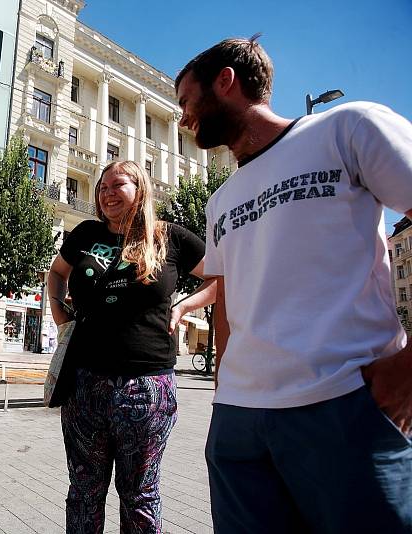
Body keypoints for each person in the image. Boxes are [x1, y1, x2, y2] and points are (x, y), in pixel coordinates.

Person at [176, 37, 412, 533]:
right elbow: (229, 304)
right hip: (239, 425)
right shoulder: (221, 200)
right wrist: (223, 395)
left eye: (185, 100)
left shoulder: (347, 127)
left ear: (226, 81)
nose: (182, 118)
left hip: (344, 406)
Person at [47, 160, 215, 533]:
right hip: (84, 382)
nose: (107, 193)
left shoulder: (169, 237)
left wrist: (185, 305)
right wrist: (62, 319)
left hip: (146, 386)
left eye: (117, 185)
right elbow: (56, 274)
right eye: (102, 187)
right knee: (83, 491)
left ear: (140, 190)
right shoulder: (86, 234)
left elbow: (223, 274)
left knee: (139, 494)